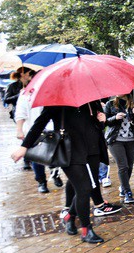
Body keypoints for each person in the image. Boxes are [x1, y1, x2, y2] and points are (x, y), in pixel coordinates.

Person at [12, 101, 114, 243]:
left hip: (93, 149)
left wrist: (102, 121)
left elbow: (96, 125)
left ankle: (70, 215)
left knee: (83, 187)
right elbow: (39, 123)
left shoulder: (91, 99)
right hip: (70, 151)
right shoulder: (57, 101)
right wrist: (24, 147)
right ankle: (86, 230)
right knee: (85, 189)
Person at [104, 93, 134, 204]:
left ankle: (123, 186)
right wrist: (115, 117)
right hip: (115, 139)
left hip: (132, 139)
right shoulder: (110, 104)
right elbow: (105, 121)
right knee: (123, 166)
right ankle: (128, 192)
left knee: (130, 166)